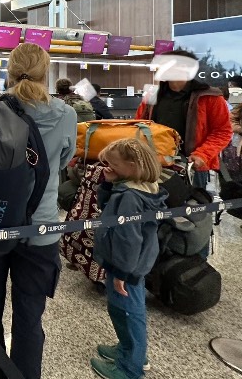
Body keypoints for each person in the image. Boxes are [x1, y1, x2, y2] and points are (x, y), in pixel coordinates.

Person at [0, 43, 77, 379]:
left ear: (9, 70)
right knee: (29, 317)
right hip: (40, 228)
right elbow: (62, 163)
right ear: (47, 73)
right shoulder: (66, 113)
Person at [91, 139, 167, 379]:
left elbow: (128, 239)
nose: (107, 166)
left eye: (113, 164)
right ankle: (127, 349)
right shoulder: (140, 187)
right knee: (120, 308)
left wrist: (122, 272)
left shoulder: (130, 198)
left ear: (132, 166)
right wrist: (109, 183)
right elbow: (109, 209)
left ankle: (130, 367)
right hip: (132, 263)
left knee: (128, 312)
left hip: (127, 266)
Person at [136, 49, 231, 191]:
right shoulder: (152, 95)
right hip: (155, 163)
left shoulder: (210, 97)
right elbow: (138, 125)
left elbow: (222, 131)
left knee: (195, 208)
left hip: (193, 165)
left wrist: (202, 155)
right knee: (155, 208)